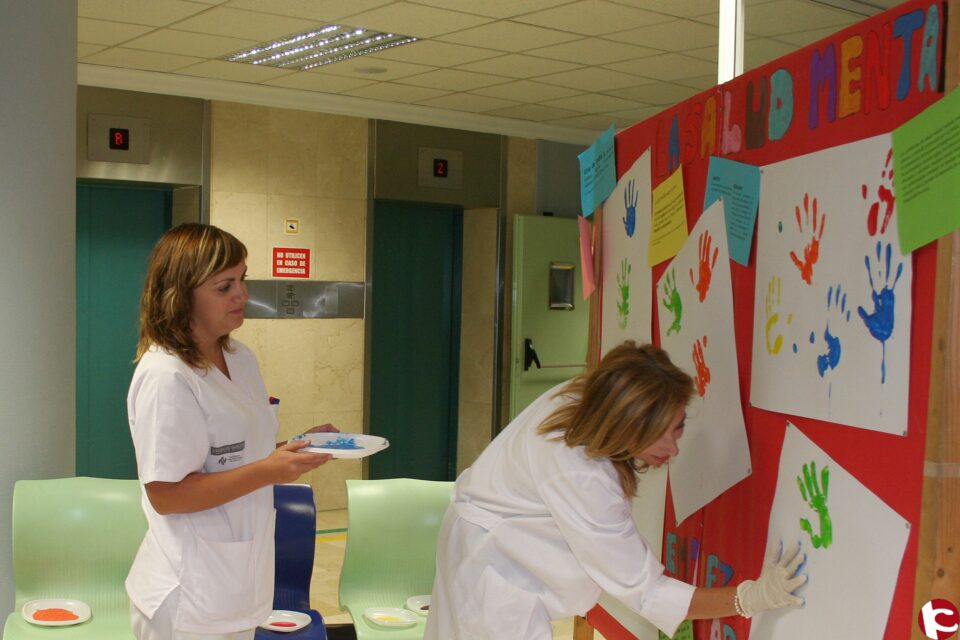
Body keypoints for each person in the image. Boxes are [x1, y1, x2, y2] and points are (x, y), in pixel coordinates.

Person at [425, 341, 807, 639]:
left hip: (487, 544)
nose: (673, 450)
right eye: (659, 435)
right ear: (626, 426)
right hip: (495, 573)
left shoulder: (589, 398)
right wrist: (748, 598)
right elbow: (647, 592)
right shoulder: (582, 475)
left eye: (678, 427)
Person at [125, 223, 336, 640]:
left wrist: (291, 450)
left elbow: (235, 455)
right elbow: (166, 494)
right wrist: (272, 470)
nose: (242, 295)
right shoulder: (167, 375)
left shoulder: (239, 357)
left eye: (242, 279)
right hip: (186, 594)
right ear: (180, 295)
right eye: (224, 287)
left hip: (237, 583)